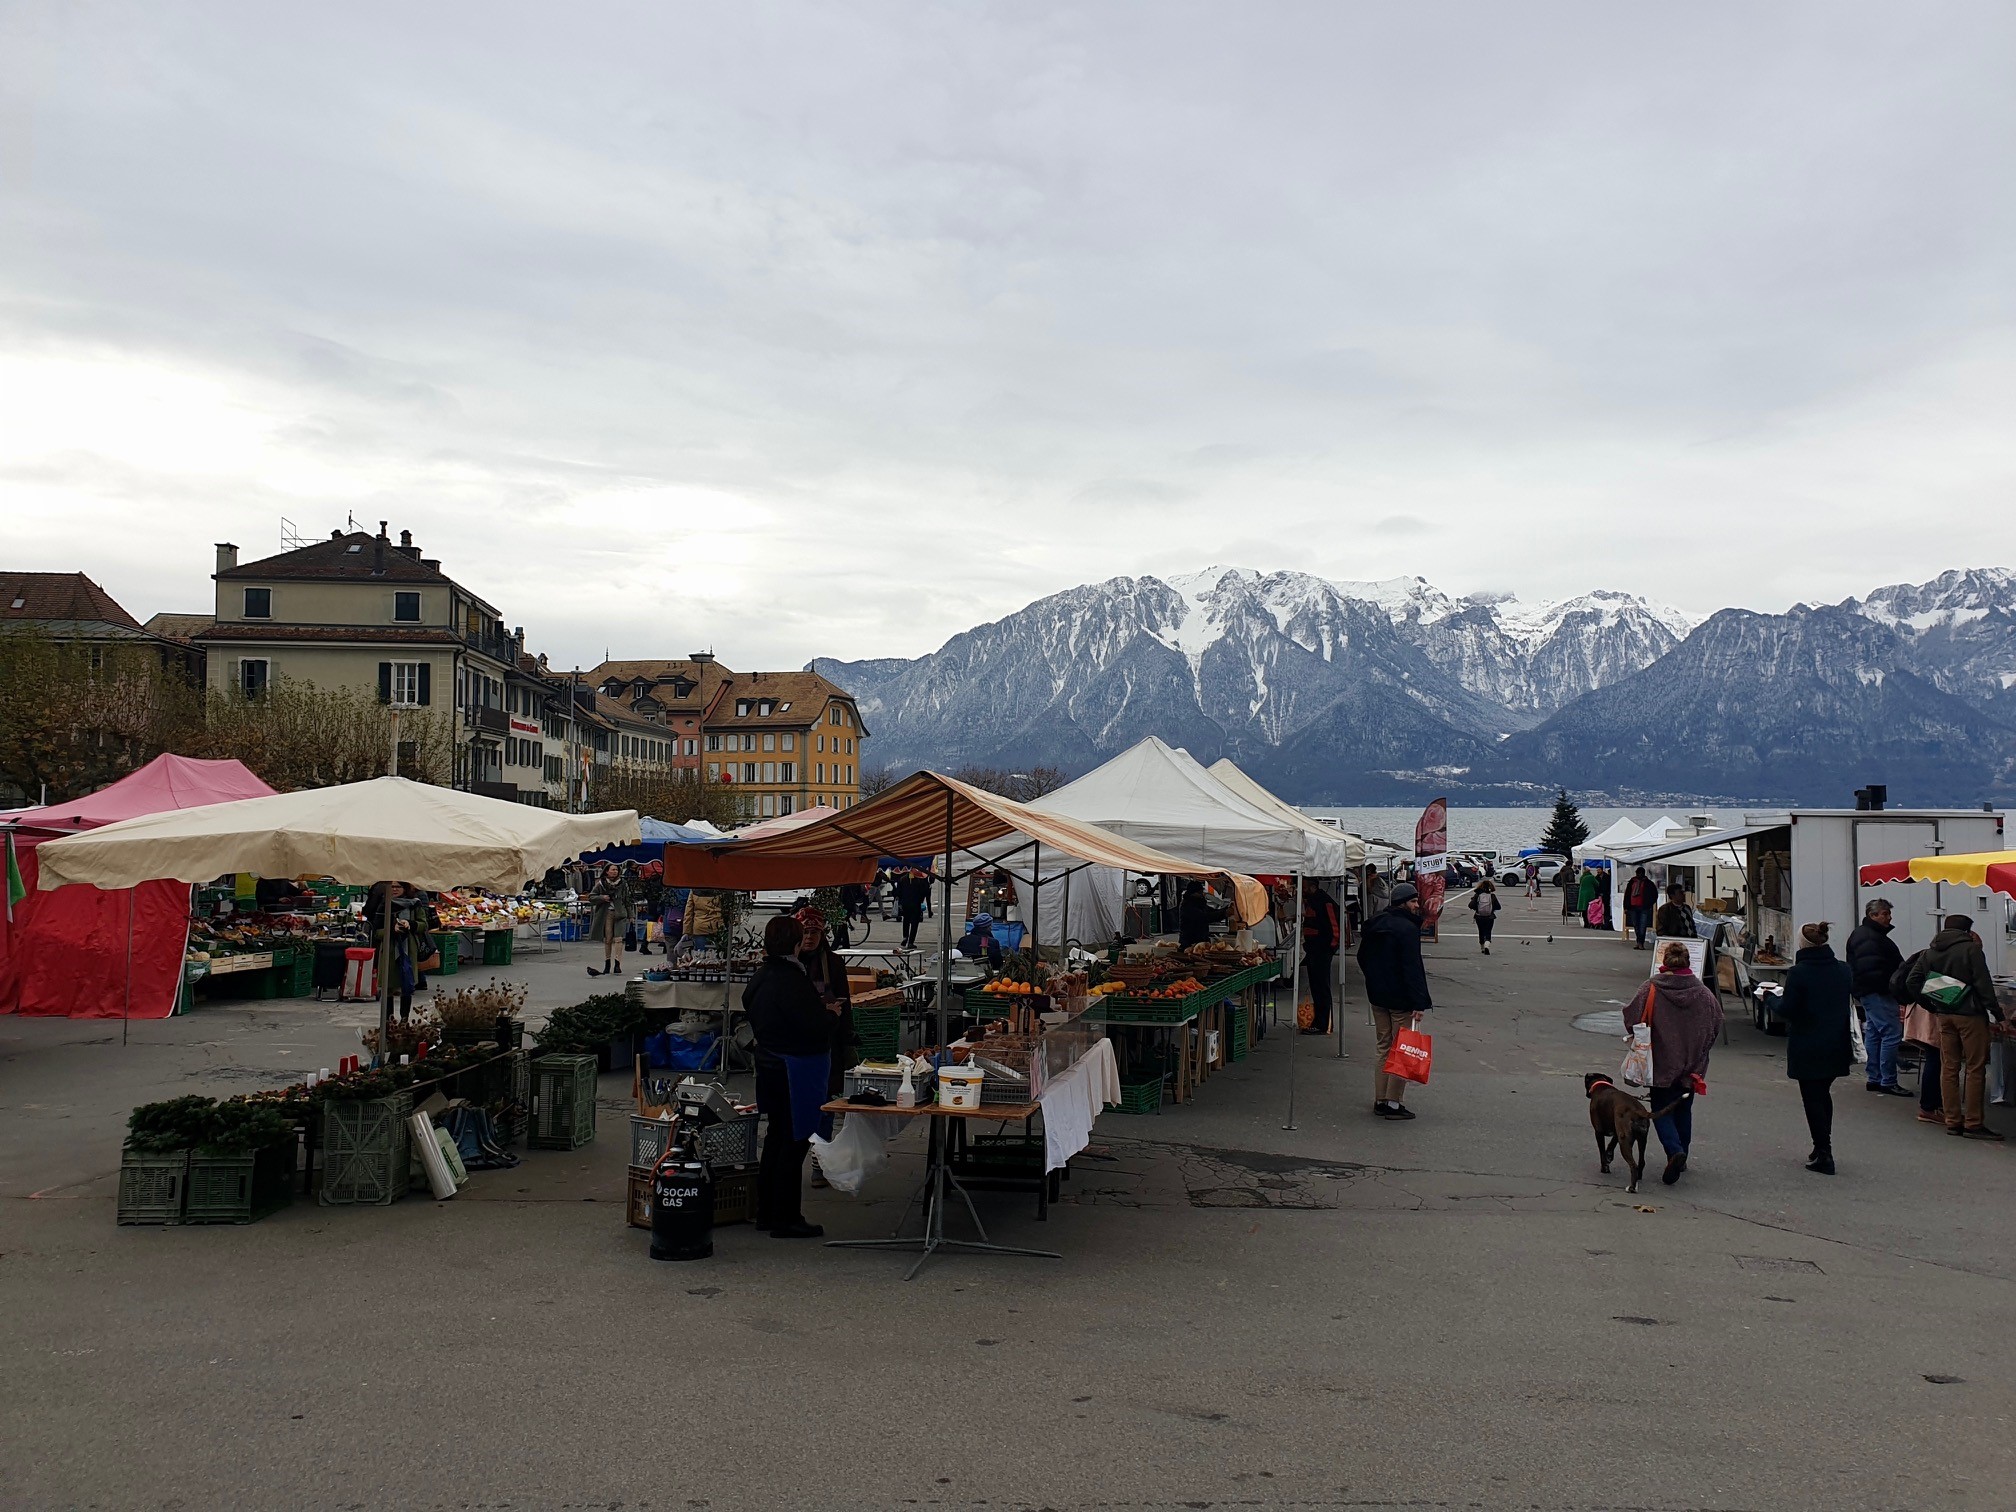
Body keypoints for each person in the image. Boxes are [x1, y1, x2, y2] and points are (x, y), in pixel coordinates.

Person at [743, 914, 840, 1237]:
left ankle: (766, 1212)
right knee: (794, 1142)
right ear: (796, 944)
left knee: (776, 1138)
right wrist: (830, 1015)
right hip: (795, 1069)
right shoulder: (791, 979)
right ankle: (785, 1217)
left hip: (768, 1064)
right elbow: (810, 1025)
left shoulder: (761, 976)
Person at [1621, 939, 1723, 1184]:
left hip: (1659, 1062)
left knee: (1660, 1109)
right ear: (1688, 962)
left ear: (1664, 962)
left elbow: (1631, 1016)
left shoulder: (1651, 988)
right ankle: (1682, 1154)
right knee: (1683, 1109)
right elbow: (1716, 1023)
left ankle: (1673, 1149)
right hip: (1692, 1065)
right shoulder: (1703, 993)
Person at [1907, 914, 2005, 1140]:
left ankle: (1952, 1120)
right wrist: (1998, 1014)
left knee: (1948, 1067)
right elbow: (1983, 984)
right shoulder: (1971, 950)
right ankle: (1973, 1123)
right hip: (1971, 1016)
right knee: (1975, 1068)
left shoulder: (1930, 951)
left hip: (1944, 1014)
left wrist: (1933, 1003)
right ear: (1968, 931)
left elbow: (1912, 981)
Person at [1778, 922, 1854, 1174]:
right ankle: (1822, 1145)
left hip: (1808, 1043)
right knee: (1823, 1093)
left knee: (1812, 1097)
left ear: (1802, 944)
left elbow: (1788, 1009)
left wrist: (1768, 999)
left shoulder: (1799, 972)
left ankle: (1824, 1151)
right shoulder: (1843, 970)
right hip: (1836, 1041)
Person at [1357, 881, 1431, 1120]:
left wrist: (1374, 980)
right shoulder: (1407, 929)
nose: (1416, 905)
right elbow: (1412, 968)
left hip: (1377, 996)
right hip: (1400, 998)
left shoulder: (1374, 924)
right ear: (1403, 903)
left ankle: (1380, 1099)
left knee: (1383, 1046)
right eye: (1413, 901)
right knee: (1402, 1048)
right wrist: (1419, 1002)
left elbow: (1362, 957)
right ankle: (1394, 1103)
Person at [1846, 898, 1909, 1097]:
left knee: (1874, 1031)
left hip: (1868, 991)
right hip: (1878, 991)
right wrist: (1893, 986)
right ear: (1872, 915)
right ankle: (1887, 1080)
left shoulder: (1865, 934)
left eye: (1889, 914)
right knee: (1891, 1033)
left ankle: (1875, 1077)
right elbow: (1872, 969)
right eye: (1885, 914)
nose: (1889, 918)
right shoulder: (1872, 938)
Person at [1301, 884, 1342, 1035]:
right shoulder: (1313, 901)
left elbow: (1335, 927)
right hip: (1313, 949)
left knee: (1321, 986)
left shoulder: (1325, 902)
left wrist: (1330, 948)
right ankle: (1319, 1021)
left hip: (1322, 950)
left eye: (1305, 884)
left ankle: (1323, 1023)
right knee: (1316, 986)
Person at [584, 862, 628, 978]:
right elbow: (591, 897)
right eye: (612, 870)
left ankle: (617, 964)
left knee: (619, 939)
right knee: (608, 939)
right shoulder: (601, 884)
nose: (615, 872)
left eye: (616, 870)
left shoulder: (623, 884)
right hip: (606, 914)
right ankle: (607, 962)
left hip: (620, 914)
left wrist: (631, 915)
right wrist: (602, 897)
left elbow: (628, 900)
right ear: (607, 871)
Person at [1178, 880, 1227, 948]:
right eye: (1199, 892)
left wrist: (1225, 910)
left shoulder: (1199, 902)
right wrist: (1225, 913)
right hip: (1189, 942)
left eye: (1201, 892)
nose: (1202, 894)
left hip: (1202, 939)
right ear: (1193, 893)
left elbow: (1212, 911)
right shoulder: (1187, 905)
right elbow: (1204, 917)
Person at [893, 868, 932, 951]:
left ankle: (905, 937)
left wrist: (901, 899)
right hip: (915, 904)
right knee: (914, 923)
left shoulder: (902, 879)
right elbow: (924, 892)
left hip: (905, 903)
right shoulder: (919, 880)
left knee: (906, 921)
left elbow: (897, 892)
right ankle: (911, 941)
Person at [1620, 868, 1658, 950]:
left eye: (1640, 873)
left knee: (1642, 926)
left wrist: (1649, 904)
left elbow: (1654, 894)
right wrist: (1626, 907)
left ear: (1643, 873)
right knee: (1636, 925)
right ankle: (1638, 942)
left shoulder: (1648, 883)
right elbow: (1627, 895)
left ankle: (1641, 943)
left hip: (1644, 907)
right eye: (1638, 873)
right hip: (1633, 907)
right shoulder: (1632, 882)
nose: (1639, 875)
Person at [1467, 877, 1500, 955]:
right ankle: (1487, 945)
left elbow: (1471, 905)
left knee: (1481, 931)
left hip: (1479, 916)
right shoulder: (1492, 896)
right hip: (1490, 917)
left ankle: (1482, 947)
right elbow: (1498, 907)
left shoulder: (1477, 895)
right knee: (1488, 931)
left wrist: (1477, 907)